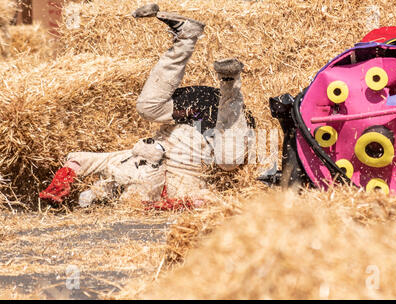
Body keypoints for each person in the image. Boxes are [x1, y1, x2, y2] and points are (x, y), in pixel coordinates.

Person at [39, 4, 254, 209]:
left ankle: (186, 37)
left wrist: (61, 182)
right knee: (229, 160)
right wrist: (165, 205)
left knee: (147, 108)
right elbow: (205, 201)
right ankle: (230, 80)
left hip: (189, 111)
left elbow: (83, 160)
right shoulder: (178, 191)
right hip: (222, 128)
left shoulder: (123, 162)